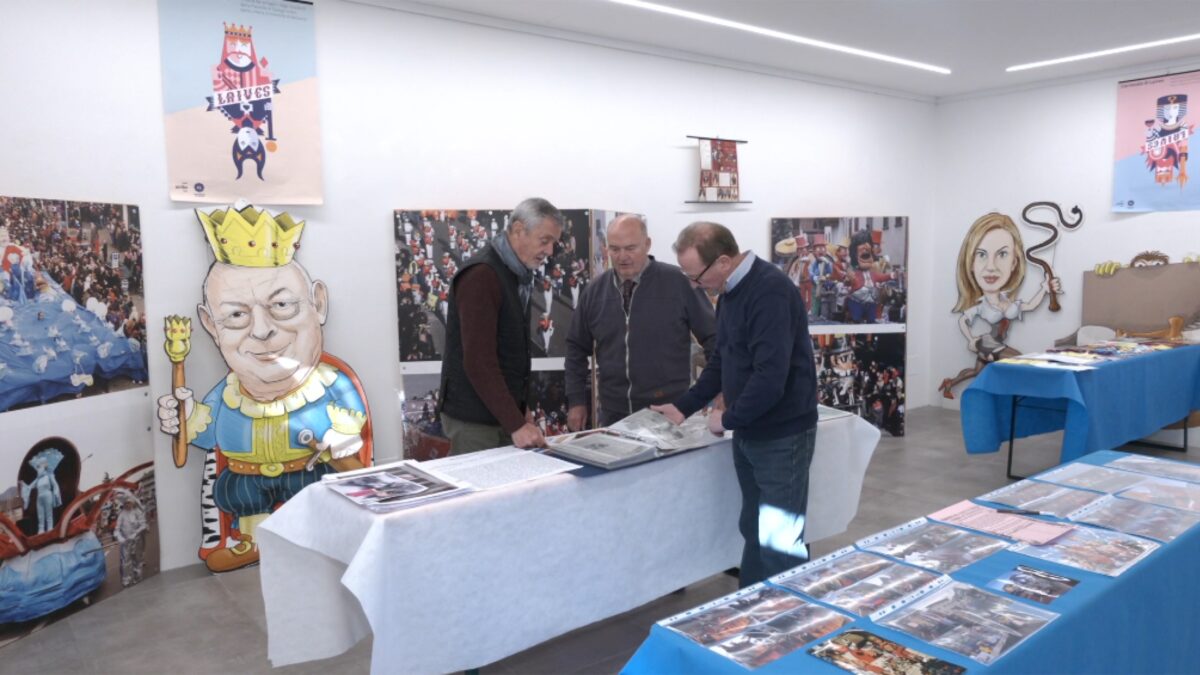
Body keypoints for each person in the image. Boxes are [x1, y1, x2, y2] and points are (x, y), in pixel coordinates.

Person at [157, 205, 371, 573]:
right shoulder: (227, 397)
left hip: (306, 475)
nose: (261, 330)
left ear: (317, 304)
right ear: (210, 324)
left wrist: (343, 440)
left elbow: (352, 431)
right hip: (246, 479)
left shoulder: (329, 386)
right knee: (240, 495)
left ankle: (309, 535)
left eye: (282, 306)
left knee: (310, 504)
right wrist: (183, 417)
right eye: (237, 315)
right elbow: (203, 432)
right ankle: (252, 540)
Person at [652, 222, 818, 587]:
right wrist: (685, 406)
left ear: (724, 261)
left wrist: (727, 418)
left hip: (781, 434)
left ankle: (787, 619)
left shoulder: (769, 291)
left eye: (697, 276)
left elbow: (769, 377)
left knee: (780, 537)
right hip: (750, 431)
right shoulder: (731, 291)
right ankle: (754, 605)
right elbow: (724, 360)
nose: (696, 285)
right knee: (754, 525)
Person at [565, 214, 715, 429]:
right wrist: (576, 400)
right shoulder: (594, 291)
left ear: (647, 244)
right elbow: (576, 349)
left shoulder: (680, 284)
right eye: (615, 249)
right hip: (613, 415)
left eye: (630, 248)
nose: (622, 256)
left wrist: (715, 392)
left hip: (670, 412)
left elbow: (715, 340)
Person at [438, 197, 563, 454]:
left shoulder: (514, 272)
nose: (550, 252)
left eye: (553, 243)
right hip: (476, 422)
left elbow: (506, 351)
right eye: (545, 240)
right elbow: (479, 361)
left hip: (496, 416)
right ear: (518, 230)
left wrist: (518, 407)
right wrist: (516, 423)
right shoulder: (482, 275)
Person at [938, 212, 1059, 398]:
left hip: (995, 345)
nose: (991, 266)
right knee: (1019, 360)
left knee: (976, 372)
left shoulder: (1008, 301)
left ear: (1014, 263)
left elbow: (1030, 306)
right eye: (981, 254)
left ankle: (949, 383)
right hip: (987, 344)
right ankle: (1023, 395)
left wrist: (1044, 289)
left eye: (1002, 254)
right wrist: (971, 339)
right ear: (970, 263)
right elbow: (963, 320)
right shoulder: (981, 305)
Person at [114, 499, 148, 587]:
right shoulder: (121, 515)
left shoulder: (137, 512)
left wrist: (136, 533)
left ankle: (138, 577)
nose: (128, 505)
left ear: (132, 502)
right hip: (126, 543)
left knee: (137, 560)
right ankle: (126, 580)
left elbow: (144, 525)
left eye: (129, 502)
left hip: (136, 541)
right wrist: (120, 537)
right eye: (126, 503)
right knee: (125, 562)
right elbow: (116, 530)